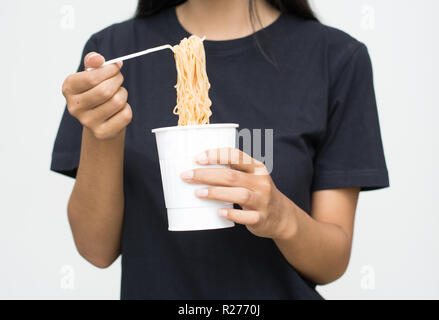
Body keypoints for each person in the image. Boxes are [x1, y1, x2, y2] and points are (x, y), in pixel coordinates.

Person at [51, 0, 389, 299]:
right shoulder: (111, 54)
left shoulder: (337, 58)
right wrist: (102, 133)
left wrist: (281, 217)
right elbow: (96, 249)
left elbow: (333, 262)